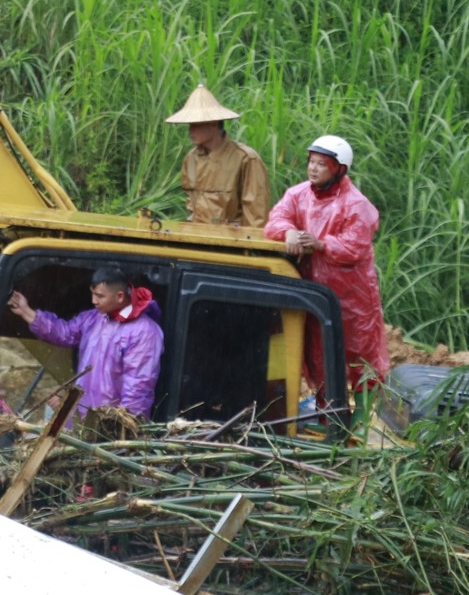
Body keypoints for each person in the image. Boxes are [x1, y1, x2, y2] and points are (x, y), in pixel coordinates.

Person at [264, 134, 391, 393]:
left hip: (352, 298)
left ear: (339, 169)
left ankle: (361, 419)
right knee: (318, 354)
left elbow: (355, 247)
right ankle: (327, 416)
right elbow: (276, 219)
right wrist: (288, 231)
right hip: (316, 293)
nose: (313, 168)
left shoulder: (356, 204)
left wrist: (320, 244)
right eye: (311, 162)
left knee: (360, 356)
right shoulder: (298, 195)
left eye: (321, 164)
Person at [7, 267, 164, 420]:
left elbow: (138, 387)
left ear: (120, 296)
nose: (93, 301)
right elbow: (65, 333)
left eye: (100, 296)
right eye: (92, 294)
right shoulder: (95, 318)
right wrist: (26, 311)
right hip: (83, 419)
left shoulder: (145, 332)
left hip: (109, 427)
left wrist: (126, 431)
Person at [165, 85, 271, 228]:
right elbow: (192, 201)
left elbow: (256, 215)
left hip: (231, 241)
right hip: (197, 235)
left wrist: (247, 245)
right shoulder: (191, 158)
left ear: (213, 123)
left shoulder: (246, 159)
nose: (191, 131)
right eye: (189, 125)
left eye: (196, 124)